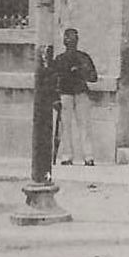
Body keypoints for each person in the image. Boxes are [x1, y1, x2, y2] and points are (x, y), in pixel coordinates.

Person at [53, 27, 99, 166]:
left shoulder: (83, 58)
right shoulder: (60, 59)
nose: (71, 42)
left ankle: (88, 156)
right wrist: (55, 98)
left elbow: (93, 77)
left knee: (84, 125)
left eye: (73, 39)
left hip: (80, 93)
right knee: (65, 126)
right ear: (64, 42)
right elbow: (54, 79)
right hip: (65, 94)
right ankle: (67, 156)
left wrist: (81, 71)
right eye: (68, 39)